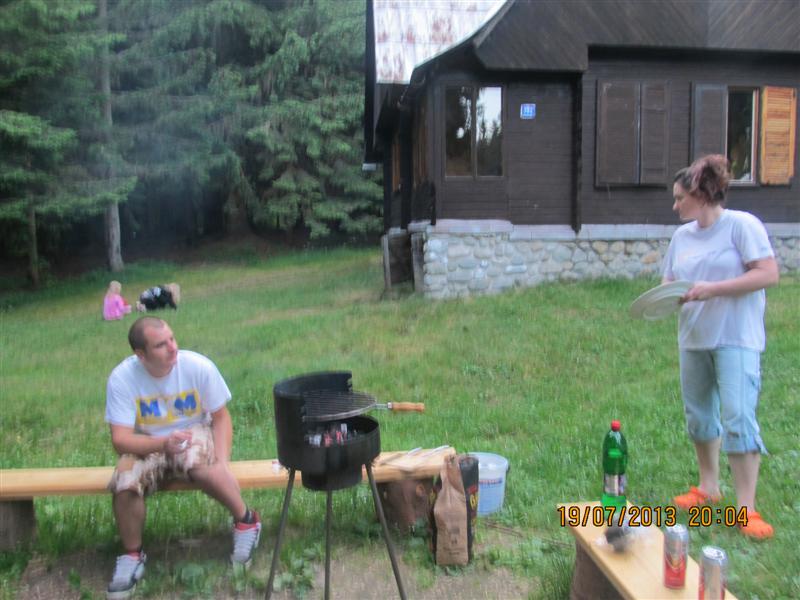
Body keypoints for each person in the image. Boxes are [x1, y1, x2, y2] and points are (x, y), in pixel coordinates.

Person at [662, 154, 779, 539]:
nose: (675, 205)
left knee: (738, 417)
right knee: (699, 416)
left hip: (735, 337)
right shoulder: (681, 238)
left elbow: (767, 274)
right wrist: (667, 298)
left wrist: (713, 289)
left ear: (701, 195)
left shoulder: (741, 226)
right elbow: (669, 284)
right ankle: (708, 487)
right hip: (694, 338)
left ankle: (746, 509)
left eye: (680, 198)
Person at [104, 316, 261, 599]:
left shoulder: (197, 366)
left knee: (199, 464)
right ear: (141, 354)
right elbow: (121, 439)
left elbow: (221, 418)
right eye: (161, 345)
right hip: (147, 440)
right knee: (124, 481)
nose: (173, 348)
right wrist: (162, 444)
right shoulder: (122, 378)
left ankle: (246, 520)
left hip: (193, 431)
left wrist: (222, 463)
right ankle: (132, 555)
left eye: (172, 339)